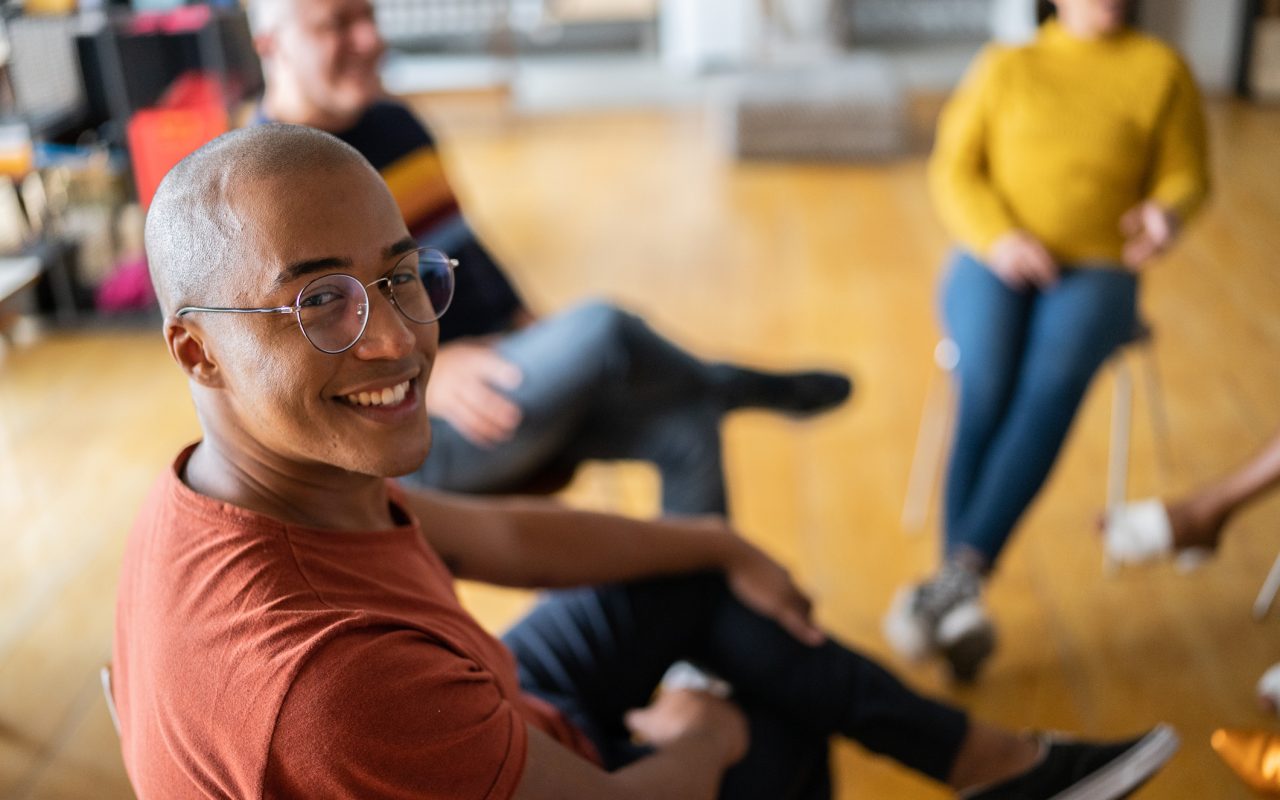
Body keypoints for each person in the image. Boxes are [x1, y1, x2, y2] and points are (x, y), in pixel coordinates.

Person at [112, 124, 1179, 799]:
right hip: (464, 733)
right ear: (195, 345)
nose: (393, 338)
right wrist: (701, 742)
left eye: (398, 277)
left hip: (493, 711)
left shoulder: (240, 477)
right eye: (318, 302)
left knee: (699, 575)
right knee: (770, 734)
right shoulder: (335, 682)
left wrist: (715, 535)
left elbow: (503, 534)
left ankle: (993, 764)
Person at [247, 0, 851, 516]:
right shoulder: (267, 186)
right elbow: (293, 372)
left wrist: (529, 328)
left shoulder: (395, 125)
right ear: (269, 44)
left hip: (505, 373)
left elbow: (459, 253)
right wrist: (430, 369)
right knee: (605, 326)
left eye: (370, 15)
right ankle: (730, 383)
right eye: (337, 25)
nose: (371, 38)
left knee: (687, 425)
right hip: (412, 425)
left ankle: (693, 637)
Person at [885, 0, 1211, 681]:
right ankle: (961, 593)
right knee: (984, 382)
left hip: (1099, 265)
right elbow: (953, 170)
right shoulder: (1008, 65)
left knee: (1051, 384)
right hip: (993, 255)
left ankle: (953, 583)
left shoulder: (1161, 70)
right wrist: (998, 238)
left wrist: (1166, 211)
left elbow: (1188, 172)